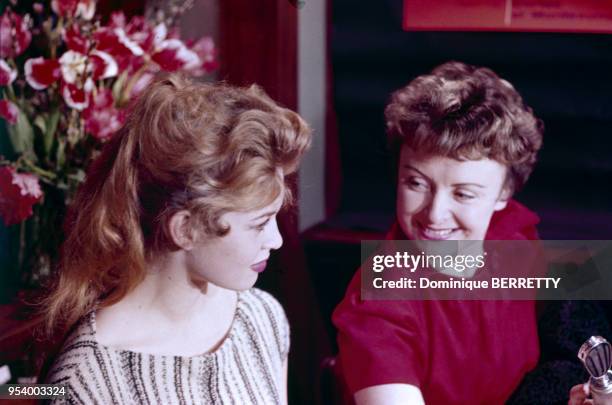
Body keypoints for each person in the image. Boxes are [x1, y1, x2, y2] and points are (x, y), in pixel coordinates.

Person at [40, 74, 311, 404]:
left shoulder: (261, 318)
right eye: (260, 223)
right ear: (185, 229)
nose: (277, 240)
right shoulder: (85, 382)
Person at [332, 61, 544, 404]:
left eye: (463, 193)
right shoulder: (377, 303)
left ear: (503, 195)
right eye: (416, 183)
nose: (434, 214)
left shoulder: (515, 235)